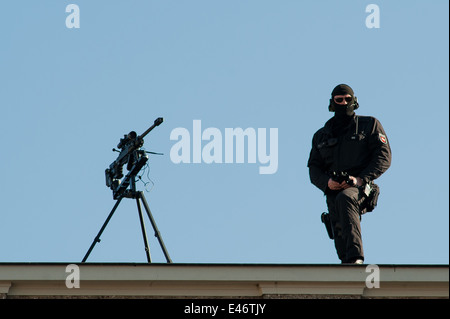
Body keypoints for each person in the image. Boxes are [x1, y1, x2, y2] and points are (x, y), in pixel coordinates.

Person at [307, 84, 391, 264]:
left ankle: (356, 259)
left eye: (347, 99)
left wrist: (360, 179)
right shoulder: (321, 136)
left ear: (354, 101)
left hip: (360, 186)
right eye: (339, 100)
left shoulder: (369, 125)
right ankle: (347, 268)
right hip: (333, 190)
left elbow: (384, 157)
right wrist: (328, 182)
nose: (344, 103)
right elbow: (313, 168)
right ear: (332, 103)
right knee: (339, 231)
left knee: (346, 198)